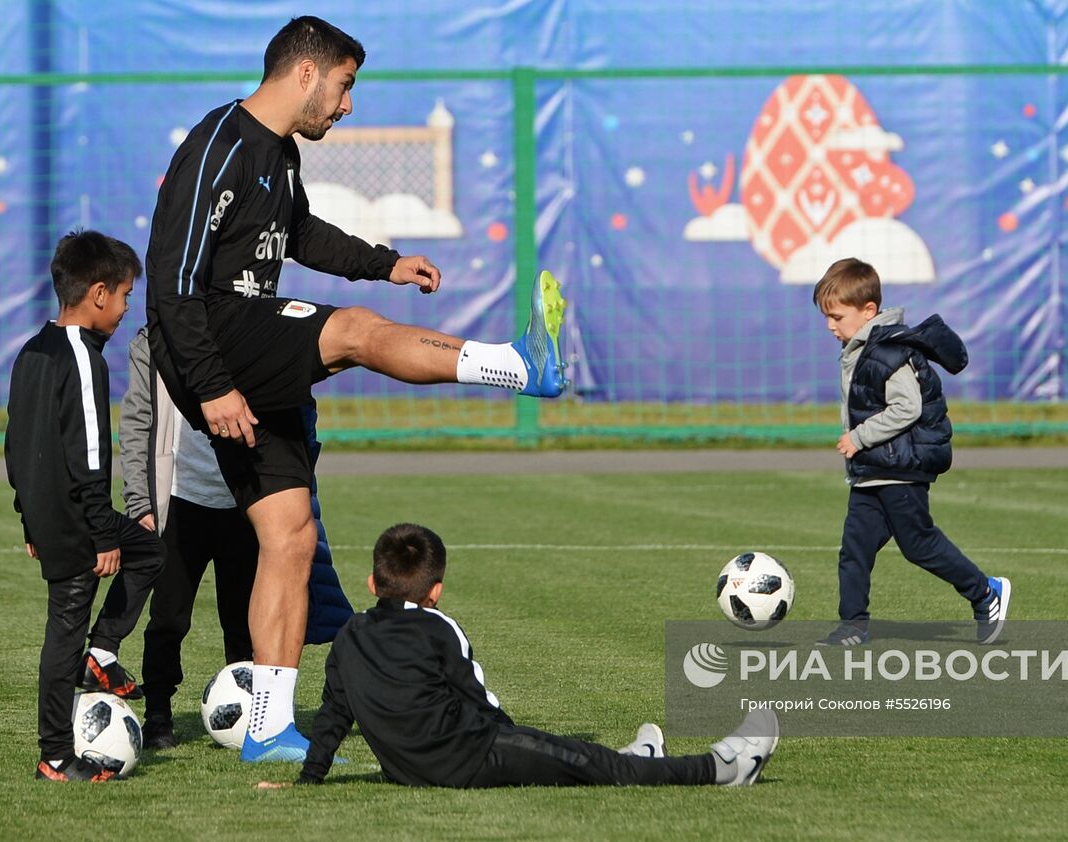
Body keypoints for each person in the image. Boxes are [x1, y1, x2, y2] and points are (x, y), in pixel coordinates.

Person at [145, 15, 567, 762]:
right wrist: (211, 387)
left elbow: (301, 234)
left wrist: (386, 261)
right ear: (305, 74)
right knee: (354, 334)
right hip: (213, 340)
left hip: (237, 356)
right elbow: (173, 284)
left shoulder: (277, 154)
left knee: (290, 536)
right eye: (344, 87)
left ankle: (268, 727)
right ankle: (521, 365)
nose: (347, 105)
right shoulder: (217, 145)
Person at [267, 523, 778, 789]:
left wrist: (309, 778)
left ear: (373, 582)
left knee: (579, 761)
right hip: (467, 759)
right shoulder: (439, 627)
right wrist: (516, 742)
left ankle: (636, 756)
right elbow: (480, 700)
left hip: (409, 769)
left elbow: (334, 714)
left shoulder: (351, 633)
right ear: (436, 591)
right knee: (580, 759)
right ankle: (723, 768)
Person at [119, 328, 354, 749]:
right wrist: (141, 502)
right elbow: (138, 422)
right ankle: (158, 714)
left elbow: (298, 412)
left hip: (246, 501)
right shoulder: (157, 342)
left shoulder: (256, 331)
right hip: (179, 501)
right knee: (169, 618)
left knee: (244, 621)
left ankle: (256, 715)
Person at [4, 230, 165, 782]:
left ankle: (102, 651)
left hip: (49, 513)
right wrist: (103, 534)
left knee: (151, 551)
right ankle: (54, 754)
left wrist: (28, 517)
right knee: (63, 634)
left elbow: (16, 444)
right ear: (98, 293)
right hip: (76, 520)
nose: (125, 309)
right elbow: (92, 456)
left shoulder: (32, 349)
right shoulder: (82, 359)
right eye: (123, 296)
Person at [812, 257, 1011, 647]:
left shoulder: (890, 350)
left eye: (836, 316)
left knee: (918, 545)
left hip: (901, 467)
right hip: (872, 470)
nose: (830, 325)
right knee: (854, 550)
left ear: (868, 311)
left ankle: (985, 593)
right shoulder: (859, 348)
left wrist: (860, 436)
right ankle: (853, 625)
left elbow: (909, 407)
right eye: (826, 317)